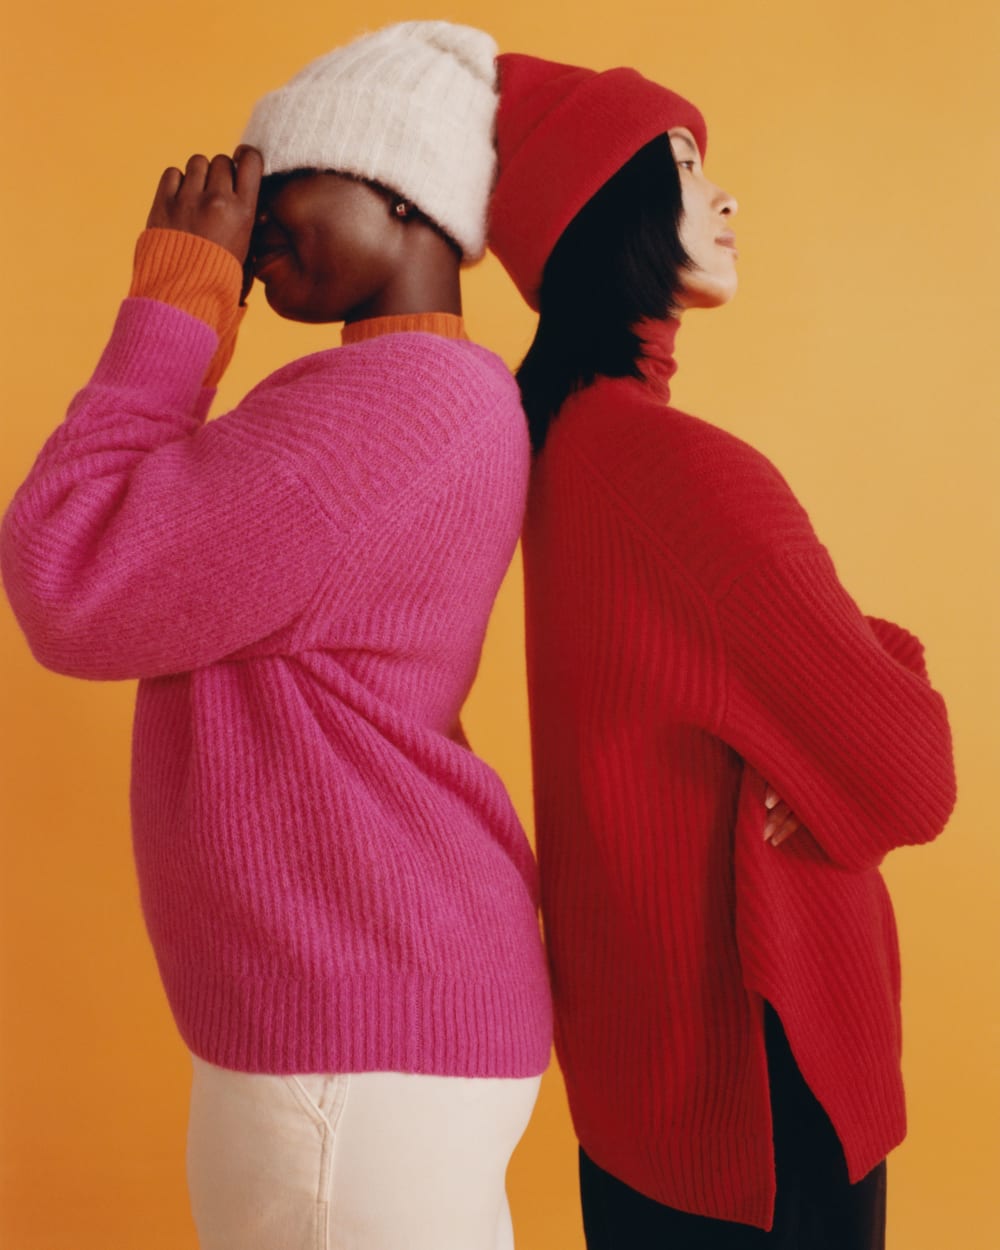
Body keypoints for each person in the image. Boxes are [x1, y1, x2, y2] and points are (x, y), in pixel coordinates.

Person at [1, 23, 552, 1250]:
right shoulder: (442, 397)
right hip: (383, 1013)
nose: (248, 222)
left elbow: (66, 575)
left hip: (349, 1030)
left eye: (284, 178)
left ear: (401, 188)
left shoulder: (389, 408)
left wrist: (176, 299)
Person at [488, 53, 956, 1248]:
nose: (724, 196)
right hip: (760, 1084)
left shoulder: (557, 457)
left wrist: (823, 702)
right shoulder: (678, 476)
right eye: (687, 167)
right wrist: (877, 670)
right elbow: (912, 772)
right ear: (606, 205)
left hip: (644, 1090)